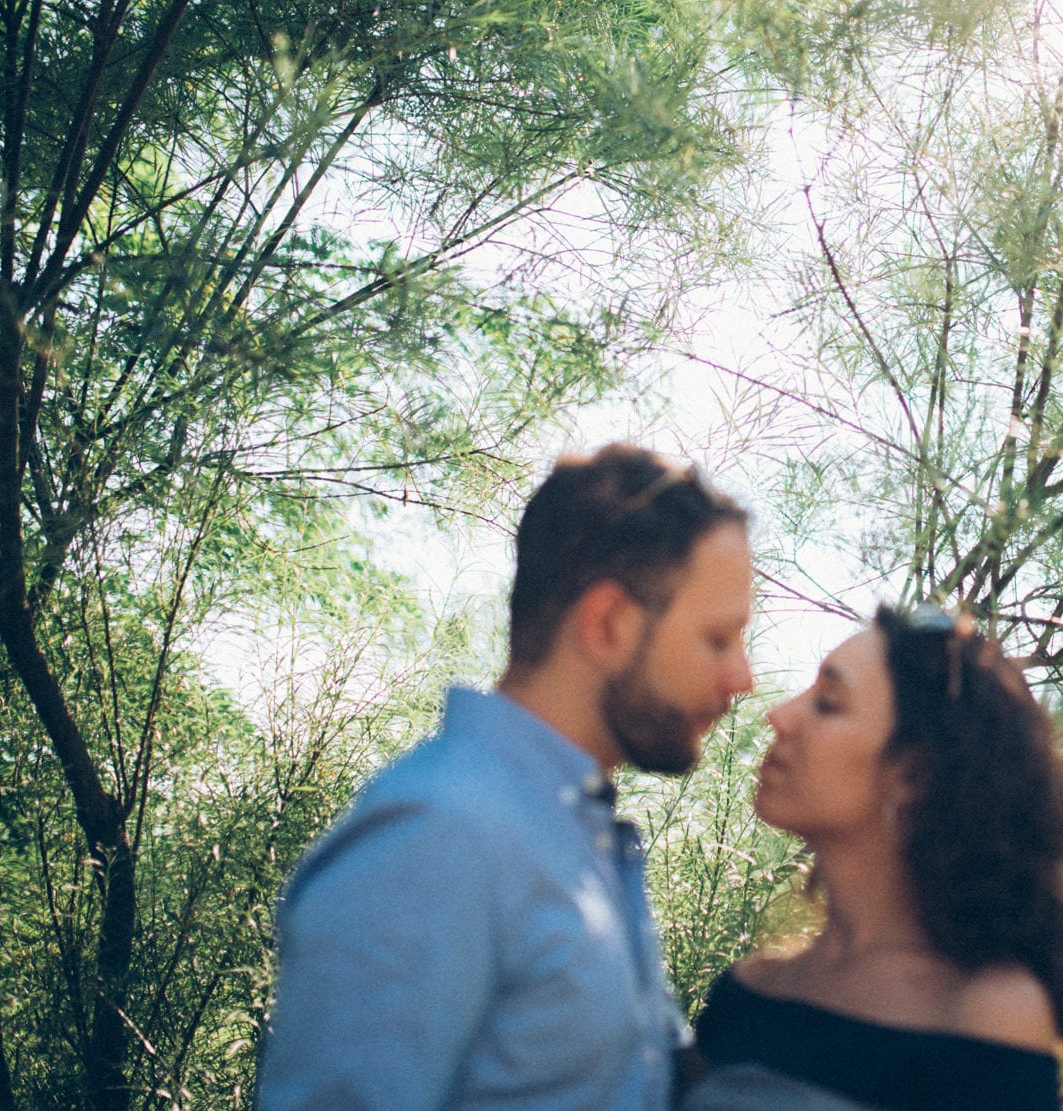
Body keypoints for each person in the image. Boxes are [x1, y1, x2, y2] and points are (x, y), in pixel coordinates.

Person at [257, 444, 755, 1111]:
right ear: (607, 623)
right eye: (719, 638)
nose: (742, 679)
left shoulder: (572, 833)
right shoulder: (437, 838)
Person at [684, 605, 1063, 1111]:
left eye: (828, 703)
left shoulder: (985, 1014)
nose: (779, 714)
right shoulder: (746, 992)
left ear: (912, 776)